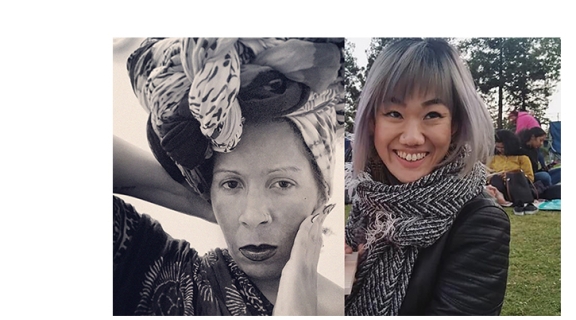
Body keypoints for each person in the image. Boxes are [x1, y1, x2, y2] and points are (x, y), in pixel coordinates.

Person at [113, 37, 345, 316]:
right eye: (231, 184)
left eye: (282, 184)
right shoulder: (162, 279)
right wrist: (198, 199)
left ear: (322, 190)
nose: (253, 215)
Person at [344, 38, 510, 315]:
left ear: (455, 125)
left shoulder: (480, 222)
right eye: (394, 113)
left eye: (432, 114)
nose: (412, 138)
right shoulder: (368, 199)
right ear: (373, 122)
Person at [488, 129, 538, 215]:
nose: (500, 150)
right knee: (495, 179)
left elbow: (530, 178)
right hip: (499, 189)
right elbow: (487, 174)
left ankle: (520, 202)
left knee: (516, 176)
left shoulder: (522, 158)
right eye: (497, 147)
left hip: (516, 188)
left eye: (502, 147)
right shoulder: (494, 158)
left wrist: (510, 175)